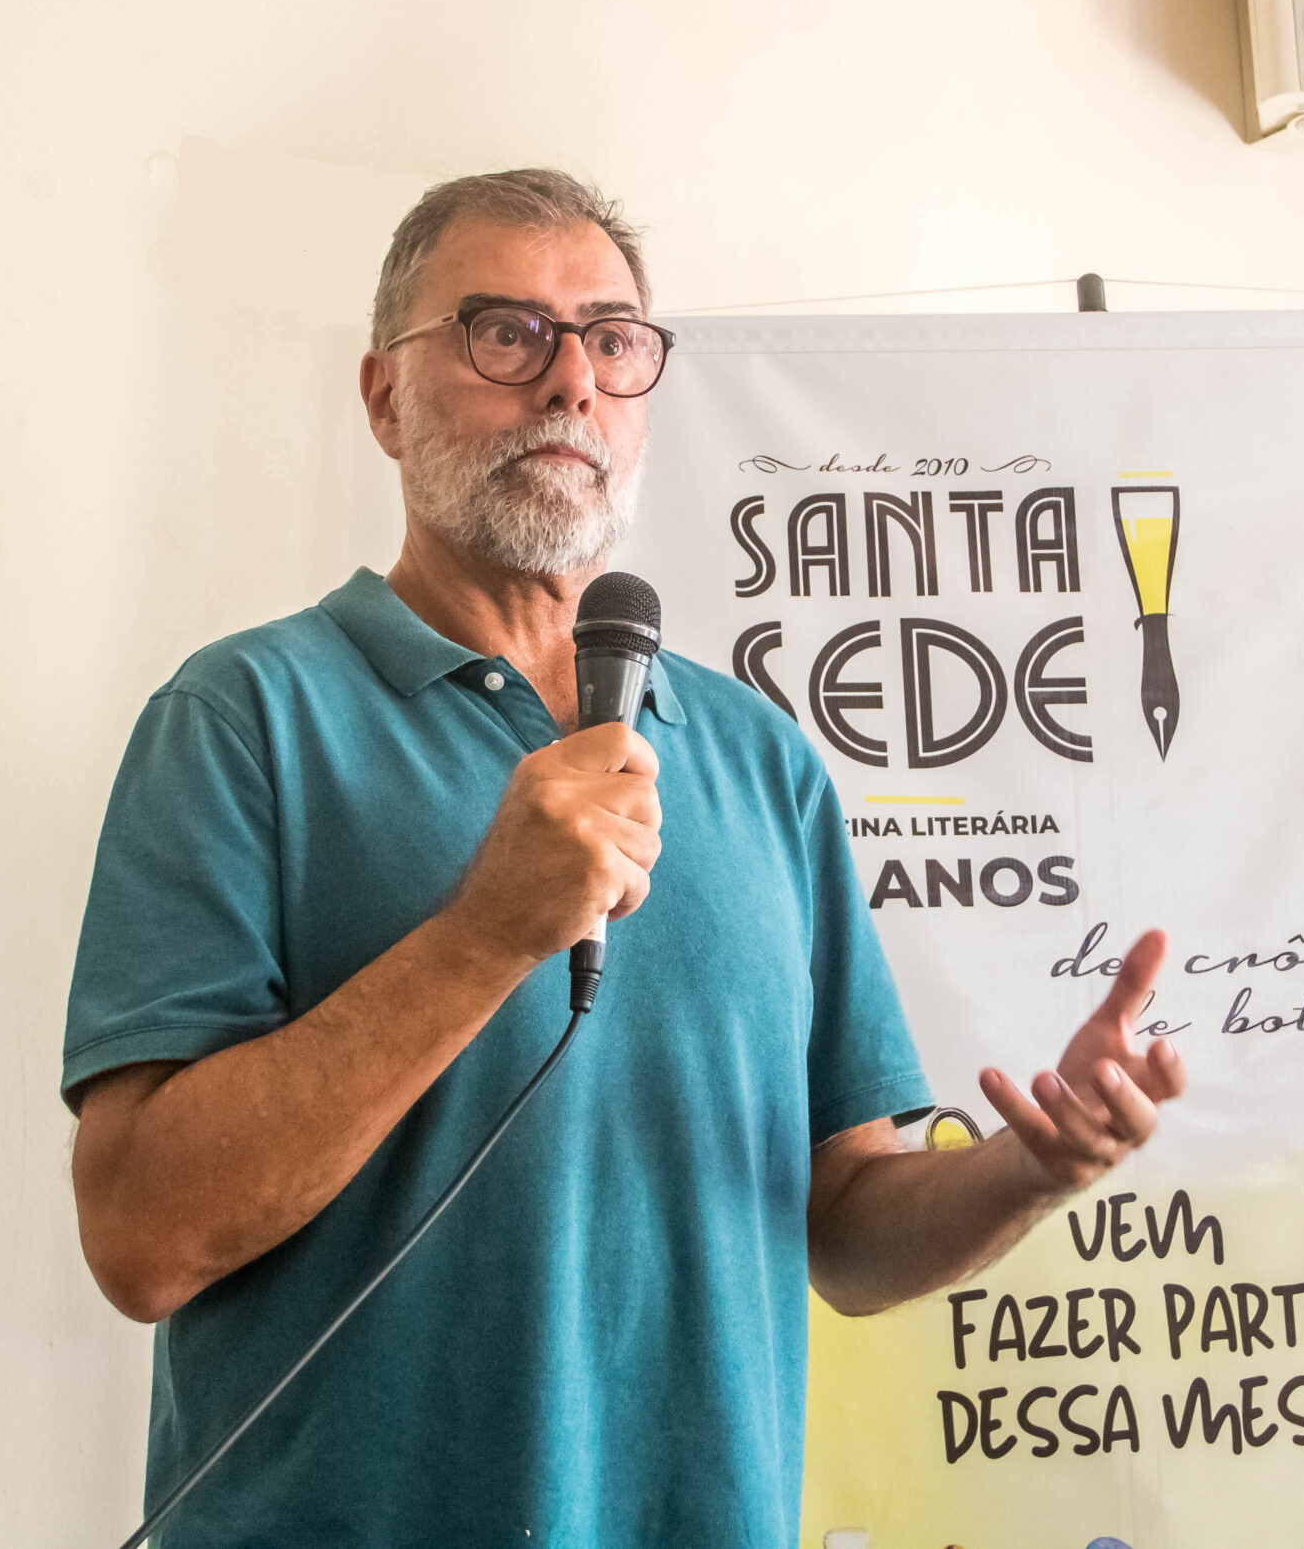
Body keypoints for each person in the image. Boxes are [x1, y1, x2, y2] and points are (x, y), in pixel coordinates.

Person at [63, 168, 1185, 1546]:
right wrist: (484, 936)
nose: (570, 383)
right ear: (383, 397)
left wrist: (1031, 1168)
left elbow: (846, 1232)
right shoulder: (243, 720)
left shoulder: (759, 760)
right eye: (504, 333)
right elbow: (143, 1240)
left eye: (611, 339)